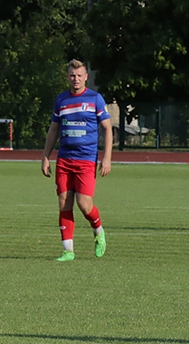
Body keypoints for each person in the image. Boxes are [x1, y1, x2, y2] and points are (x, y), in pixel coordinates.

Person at [41, 59, 112, 262]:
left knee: (84, 204)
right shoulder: (61, 100)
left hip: (86, 160)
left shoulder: (95, 99)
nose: (76, 79)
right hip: (64, 159)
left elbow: (107, 129)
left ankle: (98, 231)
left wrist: (107, 158)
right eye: (72, 75)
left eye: (79, 75)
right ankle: (68, 250)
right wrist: (46, 156)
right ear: (67, 77)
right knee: (64, 202)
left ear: (86, 77)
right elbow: (54, 130)